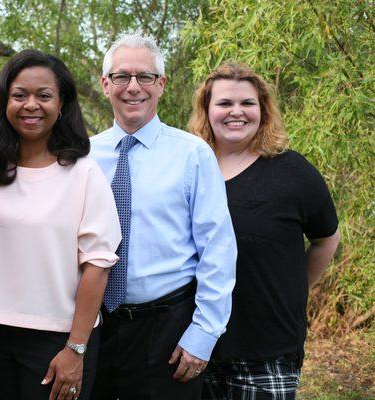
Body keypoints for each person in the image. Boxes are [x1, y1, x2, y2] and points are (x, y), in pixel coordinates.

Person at [89, 33, 237, 400]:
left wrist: (203, 335)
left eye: (146, 77)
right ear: (105, 84)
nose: (133, 87)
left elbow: (218, 249)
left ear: (162, 85)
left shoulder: (192, 155)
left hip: (168, 328)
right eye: (122, 76)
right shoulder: (83, 156)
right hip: (95, 326)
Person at [0, 49, 121, 400]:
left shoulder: (85, 174)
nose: (30, 105)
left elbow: (98, 266)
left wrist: (76, 349)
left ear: (62, 104)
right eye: (19, 95)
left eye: (44, 95)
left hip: (60, 339)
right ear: (4, 102)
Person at [188, 62, 340, 400]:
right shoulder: (190, 168)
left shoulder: (292, 172)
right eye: (225, 103)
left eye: (247, 103)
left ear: (263, 110)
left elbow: (327, 239)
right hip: (194, 346)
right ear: (207, 110)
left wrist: (297, 289)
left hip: (267, 347)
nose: (236, 112)